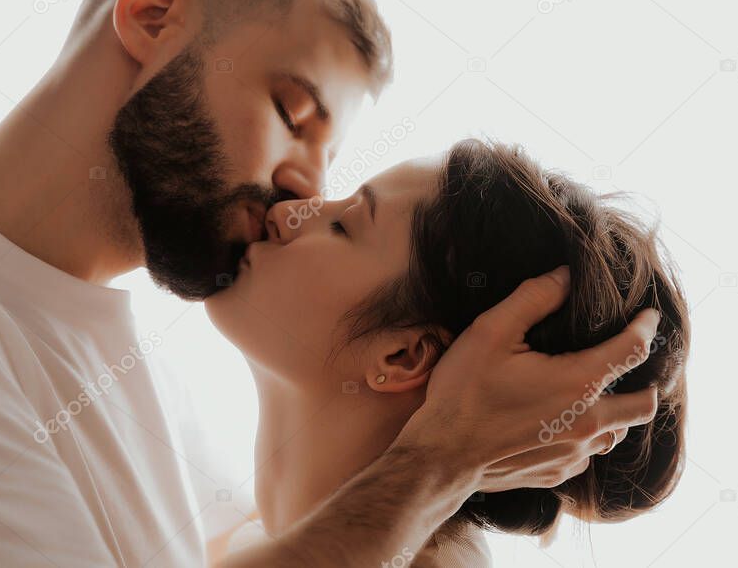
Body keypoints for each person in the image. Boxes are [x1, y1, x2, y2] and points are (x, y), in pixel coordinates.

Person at [0, 0, 662, 567]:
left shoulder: (154, 394)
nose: (299, 191)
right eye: (292, 111)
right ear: (151, 18)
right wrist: (439, 464)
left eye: (332, 166)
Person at [206, 139, 690, 564]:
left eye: (344, 225)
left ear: (405, 356)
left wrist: (446, 458)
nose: (288, 211)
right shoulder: (223, 527)